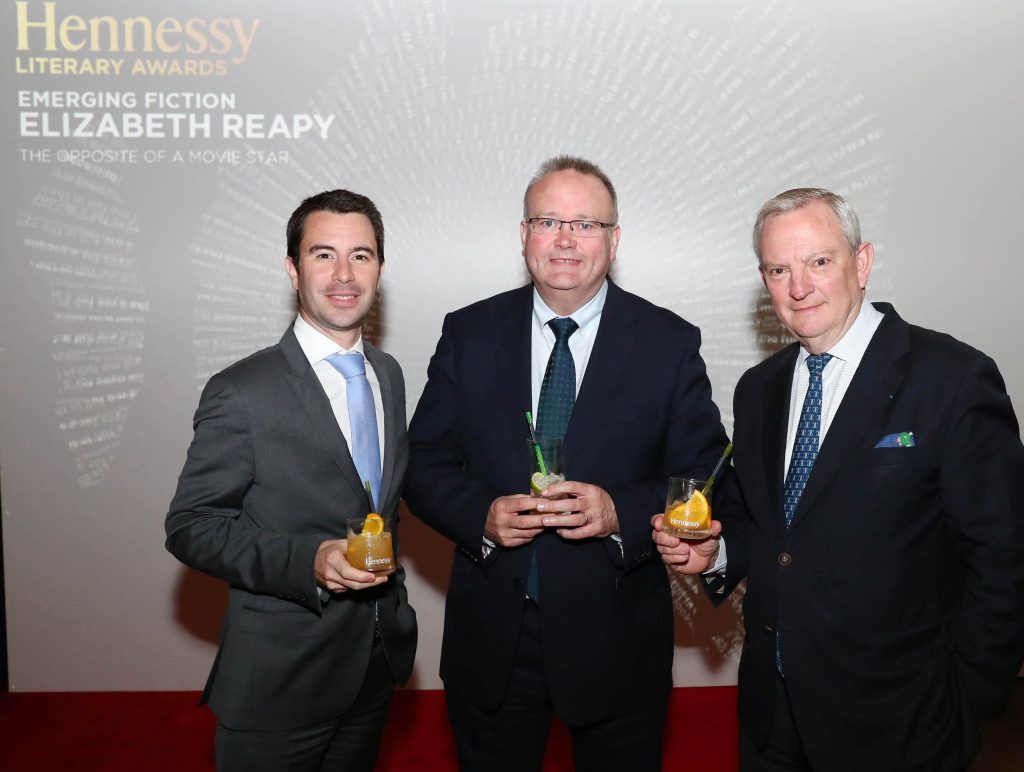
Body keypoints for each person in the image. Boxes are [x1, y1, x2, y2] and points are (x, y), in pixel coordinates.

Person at [654, 188, 1024, 771]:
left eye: (818, 261)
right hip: (772, 714)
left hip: (901, 720)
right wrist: (717, 553)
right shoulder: (759, 389)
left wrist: (968, 696)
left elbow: (1004, 555)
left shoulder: (952, 378)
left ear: (863, 261)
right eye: (779, 269)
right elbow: (771, 529)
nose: (798, 286)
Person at [404, 156, 729, 771]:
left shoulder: (668, 342)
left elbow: (706, 473)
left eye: (586, 224)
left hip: (617, 643)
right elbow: (423, 461)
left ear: (614, 239)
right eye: (548, 220)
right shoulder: (468, 332)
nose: (565, 239)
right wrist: (481, 513)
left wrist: (618, 511)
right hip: (494, 637)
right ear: (523, 233)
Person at [165, 189, 417, 771]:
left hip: (375, 661)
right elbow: (191, 526)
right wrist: (309, 560)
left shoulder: (388, 373)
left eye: (362, 255)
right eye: (323, 254)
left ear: (380, 268)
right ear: (292, 268)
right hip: (281, 677)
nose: (344, 274)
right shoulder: (242, 391)